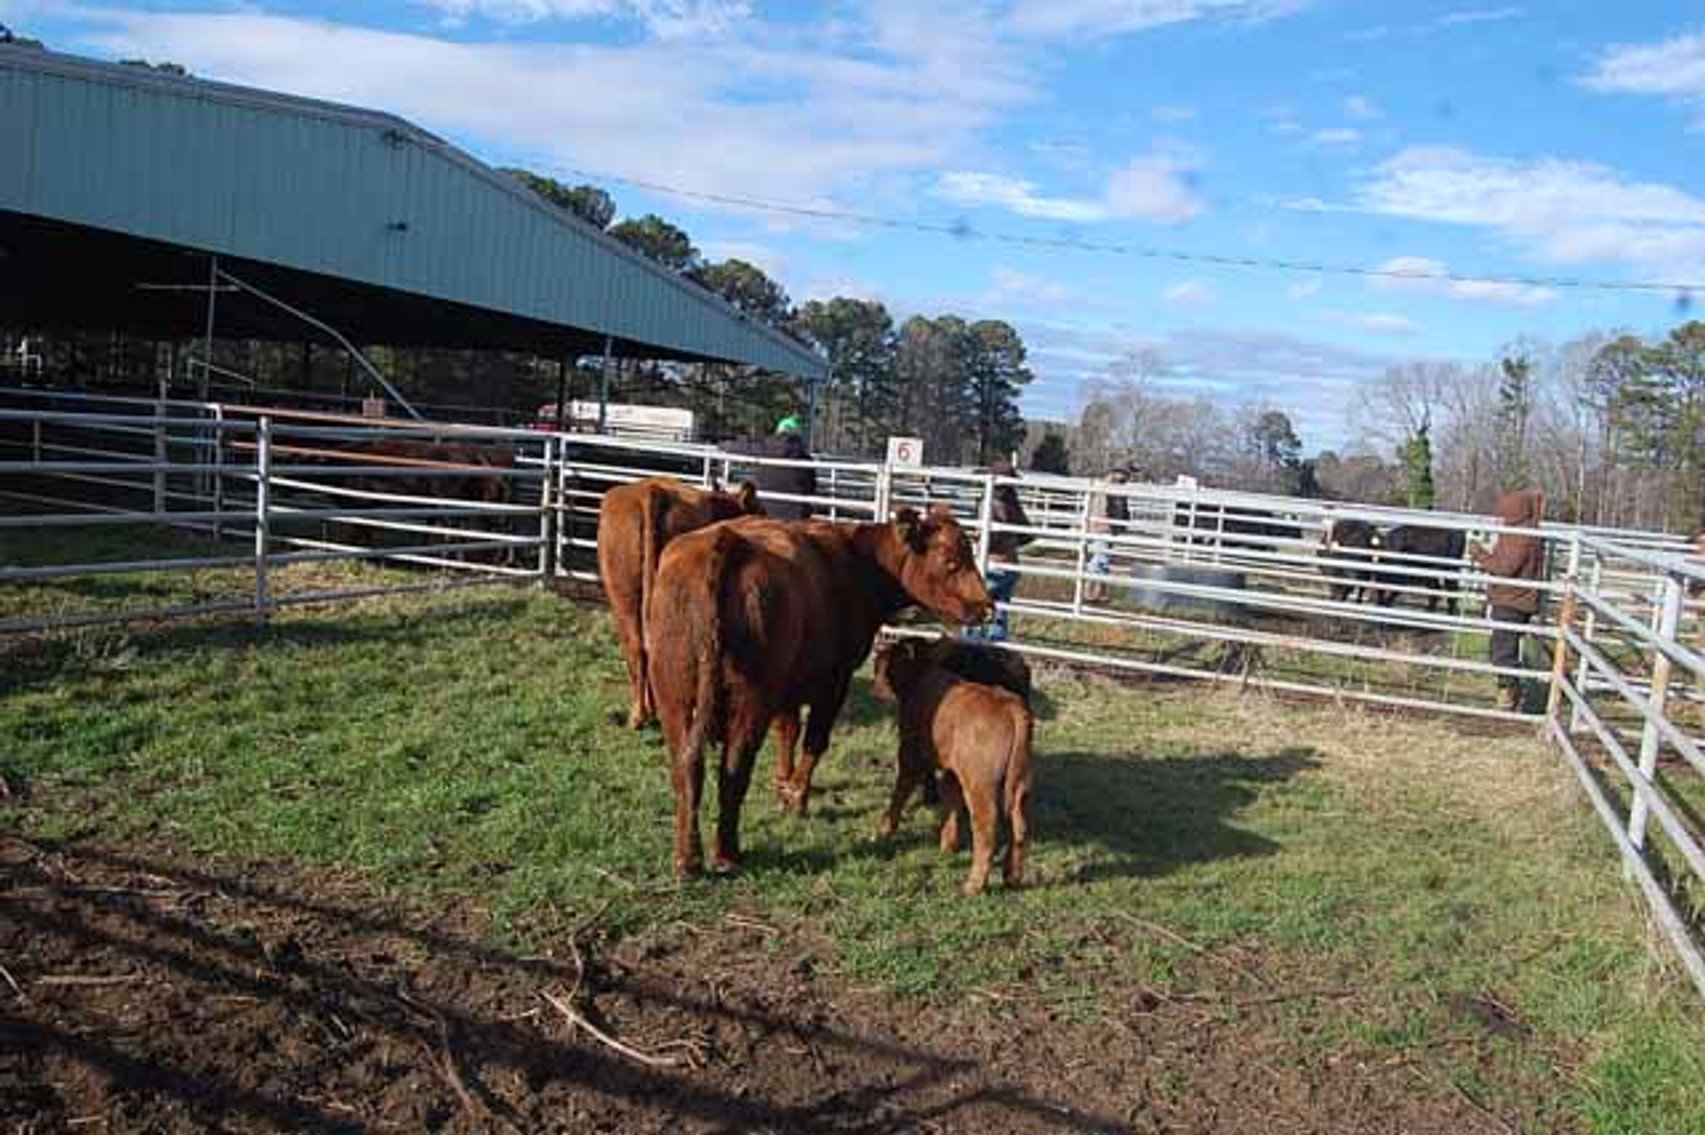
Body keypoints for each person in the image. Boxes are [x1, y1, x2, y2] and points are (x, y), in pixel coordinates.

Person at [1469, 489, 1546, 712]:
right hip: (1515, 598)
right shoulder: (1525, 530)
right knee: (1504, 647)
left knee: (1501, 651)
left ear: (1514, 510)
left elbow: (1504, 567)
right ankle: (1510, 689)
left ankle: (1510, 691)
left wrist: (1479, 553)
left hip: (1511, 600)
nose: (1500, 515)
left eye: (1504, 509)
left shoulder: (1519, 535)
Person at [965, 456, 1034, 642]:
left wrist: (976, 538)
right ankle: (995, 643)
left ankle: (970, 640)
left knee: (976, 602)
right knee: (1000, 607)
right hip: (1010, 563)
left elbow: (990, 539)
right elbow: (1027, 535)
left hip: (992, 563)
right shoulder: (1012, 504)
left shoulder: (989, 503)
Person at [729, 415, 818, 521]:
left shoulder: (764, 448)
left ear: (778, 432)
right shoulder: (804, 458)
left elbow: (739, 447)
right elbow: (810, 488)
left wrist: (723, 444)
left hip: (766, 510)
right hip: (796, 515)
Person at [1084, 467, 1130, 603]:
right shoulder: (1111, 489)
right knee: (1100, 559)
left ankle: (1098, 591)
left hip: (1102, 527)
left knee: (1101, 559)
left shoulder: (1108, 488)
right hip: (1102, 527)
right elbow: (1109, 510)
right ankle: (1092, 590)